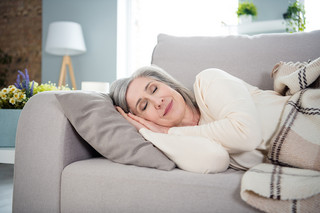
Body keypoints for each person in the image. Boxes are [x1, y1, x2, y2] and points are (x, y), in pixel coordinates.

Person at [109, 65, 290, 174]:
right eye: (144, 106)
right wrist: (149, 133)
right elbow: (215, 160)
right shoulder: (182, 142)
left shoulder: (207, 81)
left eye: (154, 89)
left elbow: (247, 134)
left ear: (169, 85)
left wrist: (168, 131)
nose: (158, 102)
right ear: (142, 120)